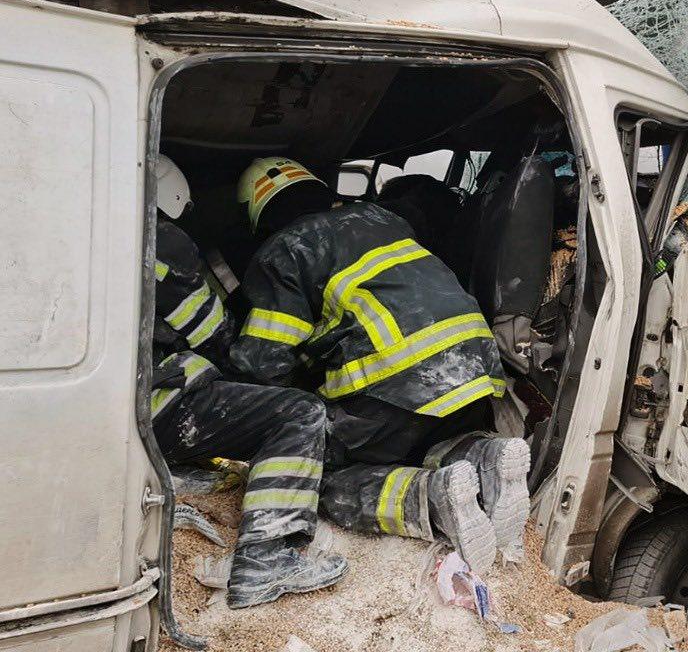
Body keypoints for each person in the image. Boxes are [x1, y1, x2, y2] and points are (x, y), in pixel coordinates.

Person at [228, 157, 530, 573]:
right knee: (426, 442)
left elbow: (265, 363)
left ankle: (430, 498)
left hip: (401, 379)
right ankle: (487, 457)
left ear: (257, 215)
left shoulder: (285, 249)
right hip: (475, 366)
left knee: (323, 477)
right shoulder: (379, 216)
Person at [150, 156, 347, 609]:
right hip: (163, 406)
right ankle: (265, 560)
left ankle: (177, 471)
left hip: (129, 409)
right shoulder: (163, 241)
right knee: (300, 412)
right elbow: (209, 334)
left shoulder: (96, 235)